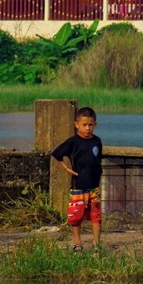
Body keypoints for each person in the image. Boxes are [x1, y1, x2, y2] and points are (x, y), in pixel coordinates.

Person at [51, 107, 103, 252]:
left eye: (90, 125)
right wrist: (67, 168)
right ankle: (77, 244)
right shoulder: (73, 142)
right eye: (84, 125)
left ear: (95, 124)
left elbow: (97, 160)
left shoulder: (97, 141)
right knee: (76, 216)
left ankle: (96, 245)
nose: (87, 128)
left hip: (94, 186)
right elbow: (56, 154)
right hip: (78, 186)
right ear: (76, 125)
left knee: (96, 216)